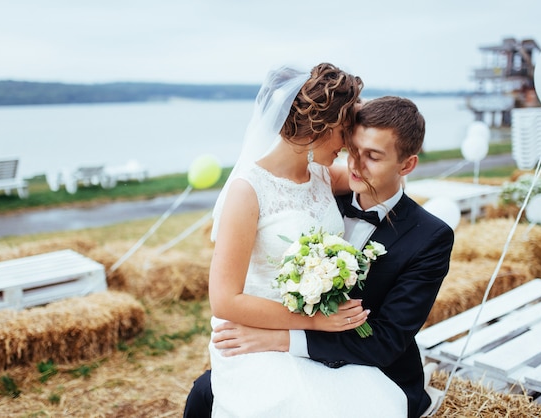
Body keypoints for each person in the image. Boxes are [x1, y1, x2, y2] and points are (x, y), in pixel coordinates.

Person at [186, 96, 455, 418]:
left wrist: (280, 339)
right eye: (353, 151)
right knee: (205, 392)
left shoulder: (430, 236)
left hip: (371, 366)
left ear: (407, 165)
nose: (356, 165)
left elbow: (385, 341)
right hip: (291, 359)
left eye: (373, 156)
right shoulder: (319, 198)